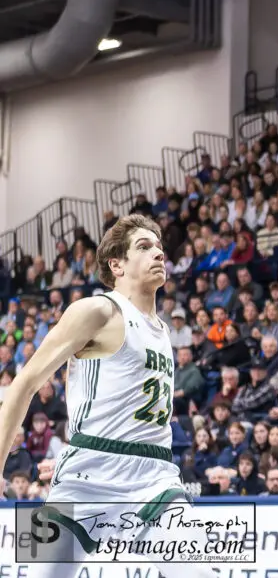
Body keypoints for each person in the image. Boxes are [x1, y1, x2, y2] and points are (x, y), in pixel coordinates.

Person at [0, 215, 217, 577]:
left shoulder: (164, 330)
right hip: (84, 476)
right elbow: (24, 383)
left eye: (159, 247)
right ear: (116, 264)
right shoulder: (97, 310)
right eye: (144, 247)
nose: (158, 254)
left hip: (155, 476)